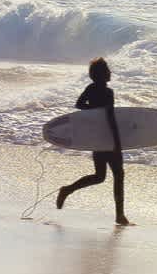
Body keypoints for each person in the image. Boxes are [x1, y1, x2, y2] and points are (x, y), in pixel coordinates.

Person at [55, 57, 129, 225]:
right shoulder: (108, 92)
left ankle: (67, 190)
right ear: (103, 74)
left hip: (96, 139)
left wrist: (93, 110)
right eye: (108, 70)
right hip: (108, 138)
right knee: (118, 175)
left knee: (99, 176)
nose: (110, 73)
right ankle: (120, 215)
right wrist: (117, 143)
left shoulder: (90, 88)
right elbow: (110, 118)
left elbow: (79, 104)